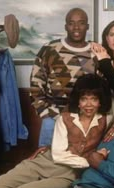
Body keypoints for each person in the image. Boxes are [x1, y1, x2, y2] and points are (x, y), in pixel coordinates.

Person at [30, 7, 96, 147]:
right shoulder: (49, 50)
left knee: (81, 164)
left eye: (81, 23)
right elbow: (36, 84)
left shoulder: (96, 52)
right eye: (71, 23)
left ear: (87, 26)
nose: (76, 27)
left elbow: (102, 90)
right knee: (47, 162)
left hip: (86, 121)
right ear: (66, 26)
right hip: (53, 119)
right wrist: (45, 114)